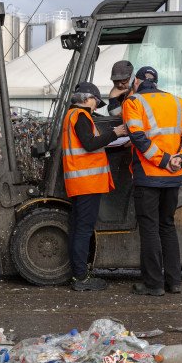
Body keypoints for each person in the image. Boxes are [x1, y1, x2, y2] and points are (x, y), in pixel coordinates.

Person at [122, 66, 182, 296]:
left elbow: (137, 137)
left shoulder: (133, 102)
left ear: (136, 82)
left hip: (149, 176)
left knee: (150, 229)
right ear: (156, 82)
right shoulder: (177, 102)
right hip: (173, 177)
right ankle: (174, 282)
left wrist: (164, 160)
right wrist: (181, 158)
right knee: (167, 226)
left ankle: (154, 284)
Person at [62, 81, 127, 291]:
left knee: (78, 228)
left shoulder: (71, 116)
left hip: (80, 182)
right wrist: (115, 133)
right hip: (87, 183)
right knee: (83, 230)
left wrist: (112, 143)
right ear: (88, 99)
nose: (95, 106)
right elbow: (90, 144)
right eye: (95, 102)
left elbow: (90, 146)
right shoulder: (81, 116)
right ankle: (81, 278)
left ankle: (79, 274)